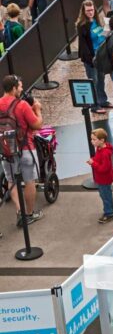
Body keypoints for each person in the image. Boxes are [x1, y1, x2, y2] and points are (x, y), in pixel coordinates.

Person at [0, 74, 44, 226]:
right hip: (25, 148)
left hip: (6, 151)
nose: (22, 89)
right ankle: (29, 213)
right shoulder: (22, 105)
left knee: (11, 181)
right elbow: (37, 125)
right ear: (13, 88)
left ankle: (19, 211)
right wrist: (37, 110)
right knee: (29, 181)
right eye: (19, 86)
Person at [76, 0, 111, 114]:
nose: (90, 12)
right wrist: (90, 59)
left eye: (92, 10)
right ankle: (94, 105)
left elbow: (101, 35)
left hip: (100, 55)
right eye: (88, 10)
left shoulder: (97, 21)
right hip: (92, 57)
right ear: (84, 12)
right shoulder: (82, 26)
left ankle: (102, 100)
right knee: (93, 80)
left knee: (101, 79)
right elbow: (84, 45)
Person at [87, 128, 113, 224]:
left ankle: (109, 213)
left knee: (105, 196)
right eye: (91, 139)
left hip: (104, 179)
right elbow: (98, 159)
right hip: (103, 179)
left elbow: (104, 168)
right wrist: (94, 160)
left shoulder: (105, 153)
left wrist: (93, 163)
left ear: (102, 140)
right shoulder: (99, 148)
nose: (92, 141)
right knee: (107, 195)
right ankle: (112, 210)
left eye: (94, 139)